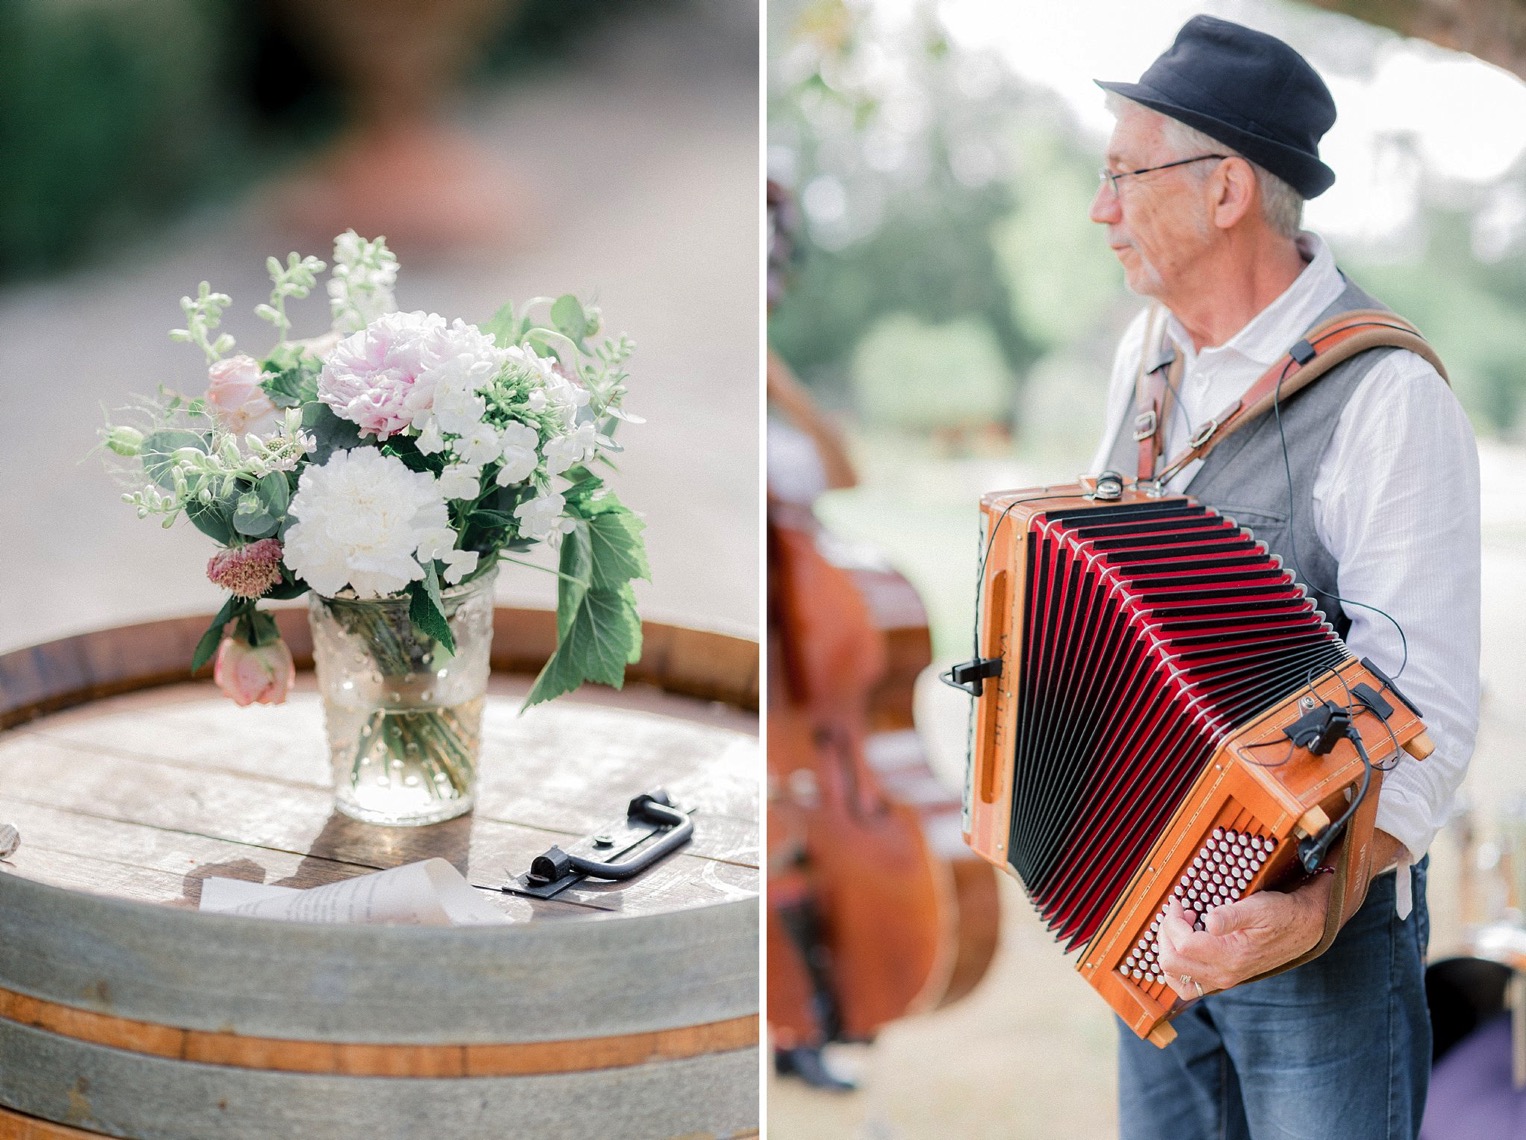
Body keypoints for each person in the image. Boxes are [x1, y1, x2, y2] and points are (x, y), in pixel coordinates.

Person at [1086, 16, 1479, 1139]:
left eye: (1121, 174)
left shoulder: (1386, 396)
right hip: (1148, 909)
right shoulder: (1144, 357)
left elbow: (1428, 713)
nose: (1099, 209)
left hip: (1321, 943)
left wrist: (1309, 906)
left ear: (1223, 192)